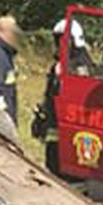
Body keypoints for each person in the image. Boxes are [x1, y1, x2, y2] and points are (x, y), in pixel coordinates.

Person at [33, 19, 67, 175]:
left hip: (67, 129)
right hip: (54, 127)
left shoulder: (79, 66)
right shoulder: (57, 66)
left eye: (63, 40)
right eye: (58, 40)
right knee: (52, 163)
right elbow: (50, 94)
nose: (60, 45)